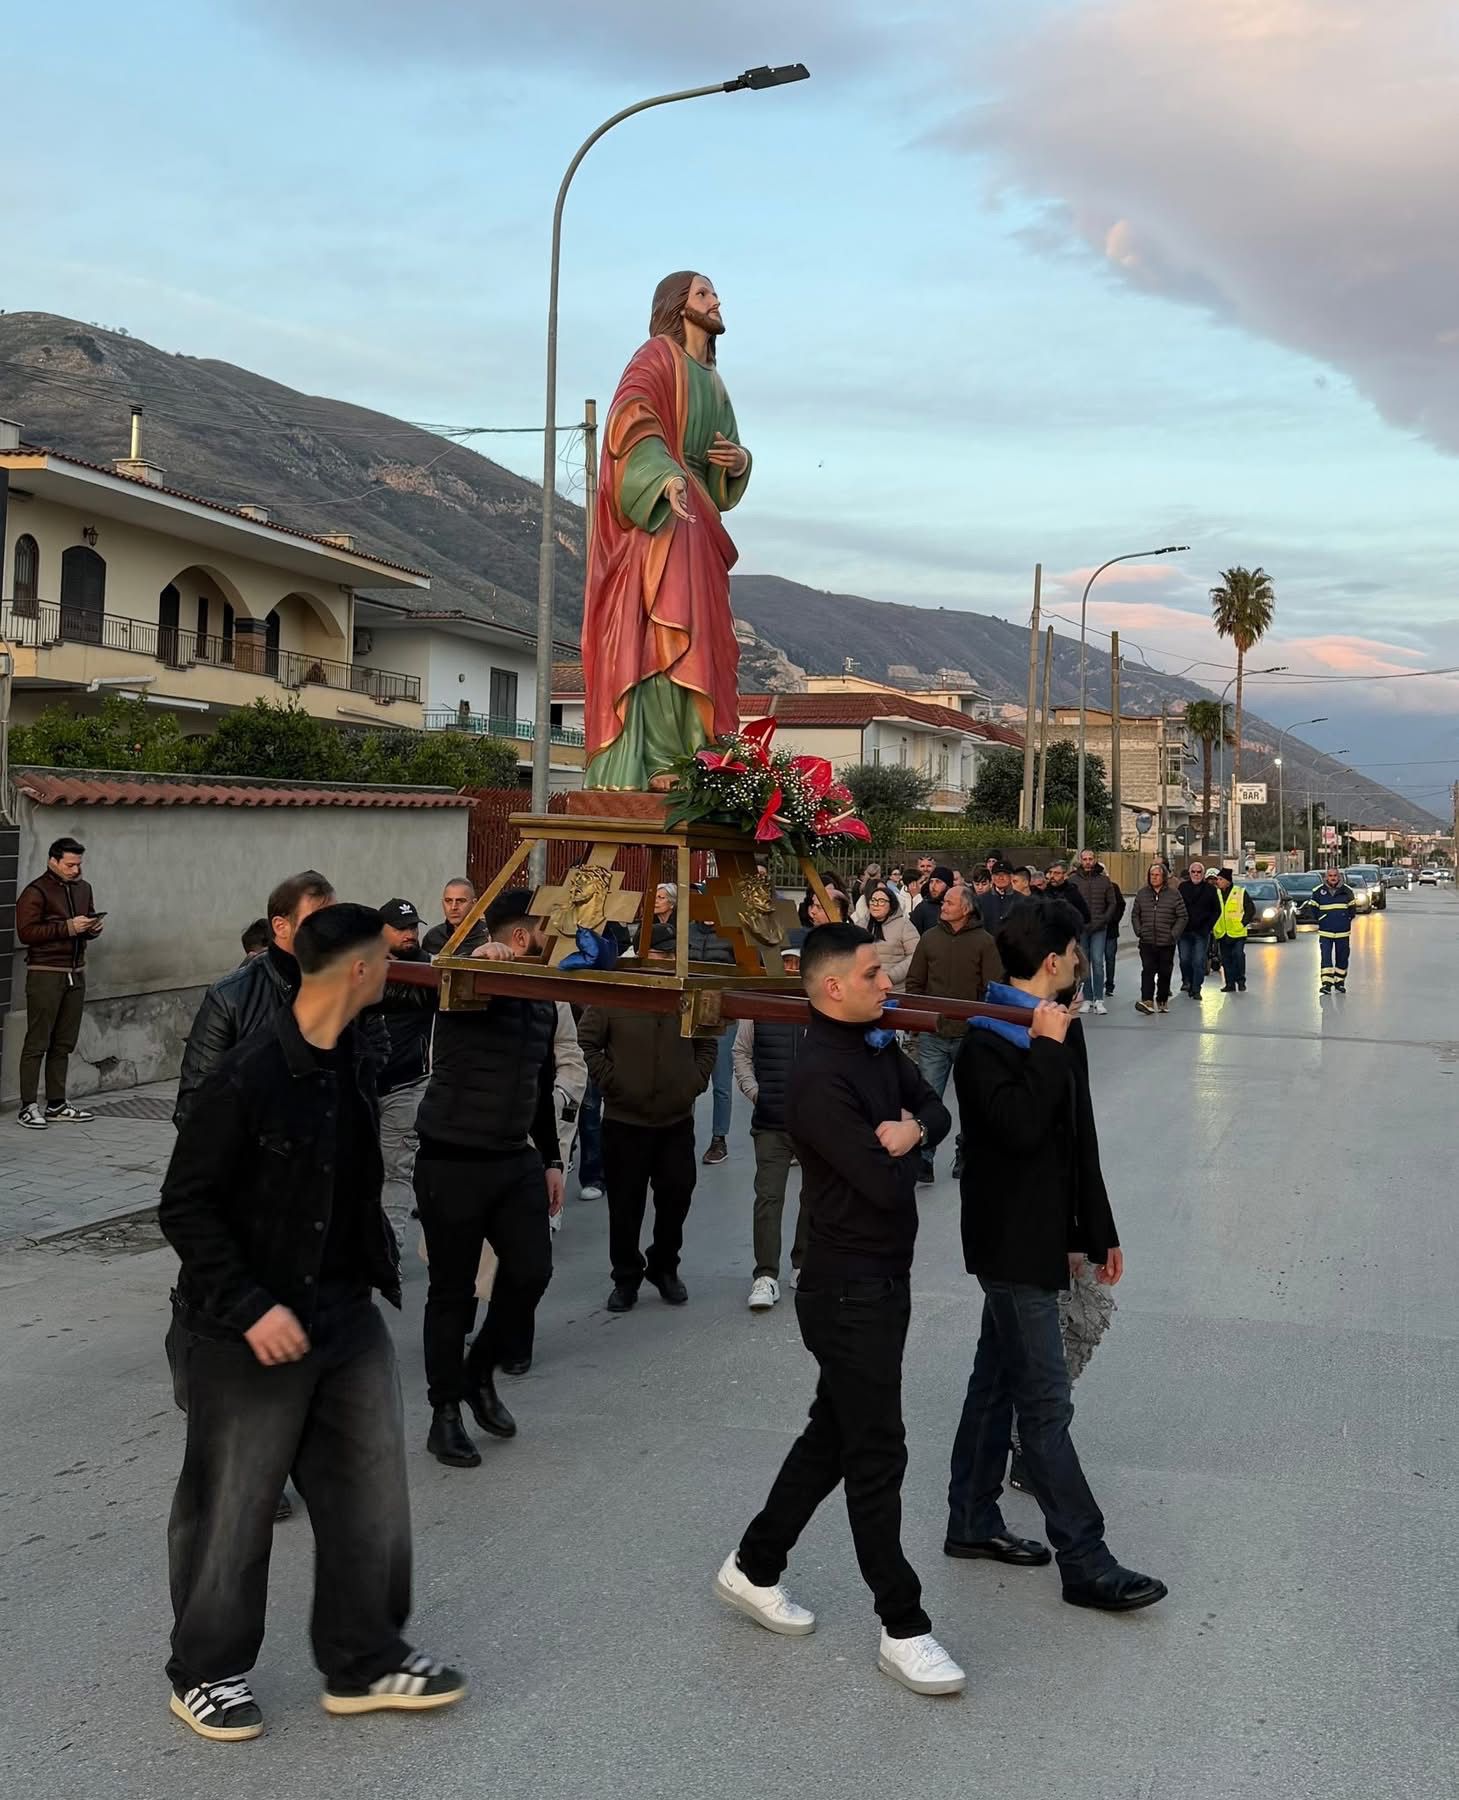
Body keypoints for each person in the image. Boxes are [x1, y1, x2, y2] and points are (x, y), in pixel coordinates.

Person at [159, 903, 465, 1741]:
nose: (396, 972)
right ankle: (205, 1671)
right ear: (361, 970)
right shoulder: (250, 1075)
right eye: (386, 962)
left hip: (343, 1310)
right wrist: (251, 1306)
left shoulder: (352, 1055)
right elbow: (184, 1207)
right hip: (247, 1324)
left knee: (368, 1489)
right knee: (233, 1504)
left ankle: (364, 1659)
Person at [715, 924, 965, 1698]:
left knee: (833, 1435)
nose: (887, 982)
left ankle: (753, 1566)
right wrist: (900, 1146)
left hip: (884, 1280)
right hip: (844, 1288)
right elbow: (888, 1186)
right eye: (871, 973)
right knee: (875, 1451)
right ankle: (903, 1626)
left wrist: (910, 1130)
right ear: (830, 987)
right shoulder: (818, 1081)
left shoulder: (873, 1046)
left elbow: (934, 1108)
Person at [944, 898, 1167, 1614]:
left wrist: (1096, 1229)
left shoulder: (1055, 1030)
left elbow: (1076, 1138)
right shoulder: (988, 1038)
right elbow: (1013, 1128)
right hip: (1008, 1241)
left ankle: (971, 1521)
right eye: (1074, 951)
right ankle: (1085, 1558)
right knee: (1043, 1404)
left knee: (994, 1385)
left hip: (1046, 1235)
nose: (1081, 960)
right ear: (1052, 959)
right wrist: (1043, 1045)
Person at [581, 271, 752, 789]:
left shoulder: (715, 382)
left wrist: (739, 460)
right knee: (665, 624)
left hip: (701, 520)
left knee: (707, 634)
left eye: (714, 293)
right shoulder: (657, 356)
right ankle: (659, 757)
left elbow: (728, 457)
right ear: (680, 307)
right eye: (704, 293)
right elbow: (631, 419)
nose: (716, 300)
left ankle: (700, 753)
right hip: (664, 517)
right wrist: (663, 474)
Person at [412, 891, 562, 1467]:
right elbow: (432, 976)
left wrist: (549, 1158)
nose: (559, 938)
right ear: (520, 936)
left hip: (512, 1157)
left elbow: (539, 1083)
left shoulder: (544, 996)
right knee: (452, 1292)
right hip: (451, 1158)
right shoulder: (467, 981)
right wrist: (477, 957)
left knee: (530, 1273)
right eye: (548, 928)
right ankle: (444, 1413)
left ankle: (477, 1375)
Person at [578, 1001, 718, 1312]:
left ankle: (664, 1266)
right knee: (625, 1205)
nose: (665, 957)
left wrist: (694, 1081)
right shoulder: (617, 991)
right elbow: (586, 1041)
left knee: (677, 1196)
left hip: (676, 1121)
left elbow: (707, 1039)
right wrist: (611, 1081)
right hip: (624, 1122)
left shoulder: (687, 991)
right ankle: (626, 1277)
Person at [175, 871, 335, 1126]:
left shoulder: (346, 990)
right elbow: (194, 1104)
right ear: (281, 927)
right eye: (316, 921)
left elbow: (374, 1066)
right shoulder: (229, 997)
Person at [904, 883, 1004, 1184]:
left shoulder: (985, 942)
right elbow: (914, 983)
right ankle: (924, 1157)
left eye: (949, 901)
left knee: (970, 1100)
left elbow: (993, 990)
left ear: (967, 908)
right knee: (928, 1097)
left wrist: (984, 1027)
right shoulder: (929, 939)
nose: (943, 905)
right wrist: (917, 1020)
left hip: (969, 1037)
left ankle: (966, 1152)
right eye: (943, 901)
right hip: (933, 1034)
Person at [14, 835, 103, 1130]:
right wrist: (67, 927)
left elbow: (83, 922)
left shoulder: (83, 888)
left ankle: (56, 1103)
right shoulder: (35, 891)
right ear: (53, 861)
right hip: (45, 972)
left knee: (63, 1043)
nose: (76, 869)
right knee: (37, 1041)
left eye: (78, 864)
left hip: (76, 972)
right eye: (70, 864)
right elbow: (26, 933)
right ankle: (28, 1106)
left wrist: (91, 928)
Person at [733, 982, 809, 1311]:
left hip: (814, 1123)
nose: (790, 970)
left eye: (796, 964)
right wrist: (754, 1093)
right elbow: (741, 1052)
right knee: (768, 1196)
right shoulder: (758, 1006)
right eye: (785, 963)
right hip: (770, 1122)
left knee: (815, 1195)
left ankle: (803, 1264)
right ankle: (765, 1275)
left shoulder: (821, 1006)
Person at [370, 899, 436, 1238]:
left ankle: (390, 1249)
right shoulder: (363, 967)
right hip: (363, 1086)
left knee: (396, 1170)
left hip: (407, 1085)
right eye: (401, 928)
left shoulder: (429, 969)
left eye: (413, 927)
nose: (410, 934)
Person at [1129, 861, 1188, 1015]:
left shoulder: (1174, 894)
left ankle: (1162, 999)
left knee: (1164, 971)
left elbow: (1182, 916)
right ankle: (1147, 1000)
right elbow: (1135, 914)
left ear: (1164, 877)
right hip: (1147, 940)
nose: (1154, 878)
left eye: (1157, 875)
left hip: (1166, 942)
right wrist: (1139, 930)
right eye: (1151, 875)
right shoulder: (1142, 894)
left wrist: (1173, 934)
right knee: (1147, 970)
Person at [1068, 849, 1118, 1017]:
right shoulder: (1073, 880)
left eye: (1091, 859)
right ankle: (1087, 998)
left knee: (1097, 961)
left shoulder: (1104, 880)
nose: (1088, 862)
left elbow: (1112, 903)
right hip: (1081, 928)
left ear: (1095, 860)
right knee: (1084, 963)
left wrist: (1104, 920)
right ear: (1081, 860)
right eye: (1085, 859)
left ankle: (1099, 999)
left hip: (1099, 928)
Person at [1307, 866, 1357, 993]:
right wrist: (1321, 919)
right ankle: (1327, 984)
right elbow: (1313, 909)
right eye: (1330, 876)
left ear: (1338, 877)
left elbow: (1352, 910)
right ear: (1326, 877)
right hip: (1325, 931)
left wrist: (1345, 920)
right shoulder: (1318, 891)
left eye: (1335, 876)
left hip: (1342, 931)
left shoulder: (1347, 891)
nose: (1333, 878)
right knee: (1326, 958)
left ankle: (1339, 982)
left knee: (1342, 957)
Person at [1176, 860, 1221, 1000]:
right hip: (1184, 931)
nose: (1196, 874)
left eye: (1199, 872)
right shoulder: (1182, 888)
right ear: (1189, 873)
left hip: (1201, 932)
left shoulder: (1210, 890)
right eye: (1193, 872)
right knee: (1184, 959)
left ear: (1203, 874)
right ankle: (1187, 981)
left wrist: (1208, 926)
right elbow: (1175, 907)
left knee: (1198, 960)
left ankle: (1196, 988)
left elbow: (1217, 910)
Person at [863, 883, 920, 986]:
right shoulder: (861, 924)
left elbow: (915, 955)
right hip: (865, 987)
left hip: (894, 988)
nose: (876, 905)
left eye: (881, 901)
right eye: (873, 900)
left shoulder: (904, 925)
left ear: (891, 905)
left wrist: (891, 976)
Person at [1212, 868, 1256, 993]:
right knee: (1226, 959)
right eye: (1217, 879)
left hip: (1237, 932)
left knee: (1238, 955)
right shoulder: (1216, 893)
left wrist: (1243, 923)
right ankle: (1229, 984)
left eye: (1220, 879)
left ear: (1228, 881)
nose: (1218, 882)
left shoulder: (1240, 892)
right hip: (1222, 932)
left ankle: (1241, 981)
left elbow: (1250, 909)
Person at [421, 878, 489, 958]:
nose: (453, 907)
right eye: (448, 901)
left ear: (474, 904)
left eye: (460, 901)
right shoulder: (433, 937)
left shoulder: (487, 936)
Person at [1044, 859, 1090, 927]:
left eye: (1056, 873)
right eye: (1050, 872)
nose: (1052, 876)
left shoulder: (1072, 892)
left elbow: (1085, 916)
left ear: (1065, 875)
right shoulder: (1044, 891)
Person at [910, 867, 953, 936]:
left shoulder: (956, 907)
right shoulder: (922, 908)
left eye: (938, 882)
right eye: (931, 882)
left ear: (948, 886)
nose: (933, 886)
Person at [1102, 877, 1125, 998]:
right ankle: (1096, 984)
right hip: (1096, 928)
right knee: (1096, 960)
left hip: (1111, 930)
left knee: (1110, 958)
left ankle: (1110, 984)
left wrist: (1114, 920)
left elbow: (1121, 905)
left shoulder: (1113, 887)